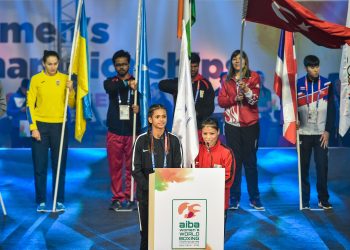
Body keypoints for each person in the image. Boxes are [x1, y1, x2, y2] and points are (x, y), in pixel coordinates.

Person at [26, 50, 75, 212]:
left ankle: (58, 200)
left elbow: (73, 104)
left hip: (59, 127)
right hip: (40, 126)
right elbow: (29, 106)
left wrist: (72, 89)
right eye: (49, 64)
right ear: (43, 64)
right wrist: (33, 128)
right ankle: (41, 201)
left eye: (55, 64)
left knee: (59, 166)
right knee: (40, 166)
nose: (53, 67)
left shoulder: (64, 79)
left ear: (58, 63)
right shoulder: (36, 80)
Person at [218, 50, 264, 210]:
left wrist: (246, 90)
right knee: (234, 163)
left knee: (250, 162)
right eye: (234, 59)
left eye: (240, 59)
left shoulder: (253, 77)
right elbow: (221, 101)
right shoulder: (226, 78)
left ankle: (255, 198)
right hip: (232, 126)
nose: (237, 62)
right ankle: (234, 198)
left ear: (246, 61)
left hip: (250, 125)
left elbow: (254, 100)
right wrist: (233, 99)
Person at [132, 104, 182, 250]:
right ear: (150, 119)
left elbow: (178, 168)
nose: (161, 120)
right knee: (146, 235)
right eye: (157, 117)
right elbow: (136, 169)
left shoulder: (173, 140)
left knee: (167, 233)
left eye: (164, 116)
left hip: (168, 195)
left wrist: (167, 189)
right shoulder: (141, 140)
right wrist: (150, 187)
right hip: (146, 196)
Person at [296, 55, 335, 210]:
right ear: (306, 68)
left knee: (322, 167)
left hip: (320, 133)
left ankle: (323, 199)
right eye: (312, 67)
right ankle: (304, 201)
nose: (315, 69)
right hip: (304, 133)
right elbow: (290, 107)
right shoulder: (298, 83)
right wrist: (294, 122)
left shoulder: (327, 84)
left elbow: (332, 108)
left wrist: (328, 131)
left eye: (317, 66)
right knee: (303, 168)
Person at [104, 50, 140, 211]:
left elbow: (144, 101)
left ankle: (131, 196)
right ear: (114, 66)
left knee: (132, 167)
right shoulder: (110, 82)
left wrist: (139, 108)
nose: (121, 67)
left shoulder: (138, 81)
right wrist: (127, 84)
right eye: (118, 65)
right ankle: (117, 197)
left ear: (129, 64)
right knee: (115, 167)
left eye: (124, 64)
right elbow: (112, 89)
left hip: (132, 132)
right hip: (115, 131)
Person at [159, 52, 215, 136]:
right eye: (190, 66)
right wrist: (181, 83)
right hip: (180, 125)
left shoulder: (205, 84)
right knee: (180, 148)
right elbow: (161, 85)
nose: (192, 69)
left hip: (198, 126)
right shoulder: (180, 82)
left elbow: (210, 107)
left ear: (198, 66)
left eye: (195, 66)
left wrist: (198, 113)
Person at [195, 117, 235, 225]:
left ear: (218, 132)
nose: (208, 137)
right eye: (205, 134)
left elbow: (229, 178)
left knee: (217, 237)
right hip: (199, 201)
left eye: (212, 133)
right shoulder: (195, 150)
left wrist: (211, 188)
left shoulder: (226, 152)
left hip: (219, 201)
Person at [7, 79, 31, 147]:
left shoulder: (31, 97)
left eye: (28, 89)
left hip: (26, 125)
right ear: (21, 87)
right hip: (16, 126)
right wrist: (20, 110)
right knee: (16, 147)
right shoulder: (14, 96)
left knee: (26, 147)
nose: (26, 91)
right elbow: (9, 112)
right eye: (25, 89)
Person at [257, 71, 272, 146]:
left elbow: (269, 107)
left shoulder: (267, 91)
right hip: (253, 120)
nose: (260, 79)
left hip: (264, 119)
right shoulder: (250, 91)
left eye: (262, 78)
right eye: (258, 78)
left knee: (264, 139)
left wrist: (258, 109)